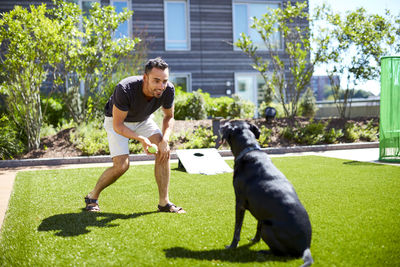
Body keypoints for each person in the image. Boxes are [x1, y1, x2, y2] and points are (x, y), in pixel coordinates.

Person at [84, 57, 185, 213]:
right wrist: (142, 139)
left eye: (164, 81)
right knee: (122, 166)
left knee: (164, 151)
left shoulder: (168, 90)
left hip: (143, 120)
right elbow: (118, 125)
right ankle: (92, 196)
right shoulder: (125, 88)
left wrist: (164, 140)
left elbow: (168, 117)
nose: (161, 86)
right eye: (156, 81)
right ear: (145, 78)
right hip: (117, 121)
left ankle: (164, 203)